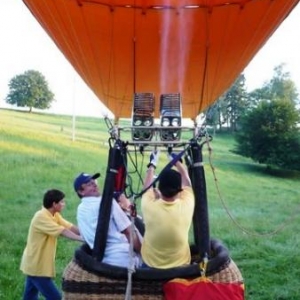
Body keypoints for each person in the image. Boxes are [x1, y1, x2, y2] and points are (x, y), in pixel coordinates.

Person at [20, 189, 83, 300]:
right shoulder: (41, 217)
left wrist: (87, 234)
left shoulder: (54, 215)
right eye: (62, 202)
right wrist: (83, 240)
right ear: (54, 204)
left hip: (33, 263)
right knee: (55, 298)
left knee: (29, 297)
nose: (64, 204)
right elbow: (63, 231)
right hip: (37, 265)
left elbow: (70, 227)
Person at [74, 172, 142, 268]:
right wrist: (143, 254)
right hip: (124, 258)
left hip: (103, 262)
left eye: (94, 181)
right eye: (89, 184)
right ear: (81, 192)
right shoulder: (108, 202)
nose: (94, 184)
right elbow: (128, 231)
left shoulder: (80, 210)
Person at [141, 150, 195, 269]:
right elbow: (187, 181)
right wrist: (177, 162)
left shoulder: (148, 205)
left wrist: (152, 164)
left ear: (159, 188)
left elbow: (147, 188)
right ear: (179, 190)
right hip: (180, 267)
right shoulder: (187, 204)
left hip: (150, 266)